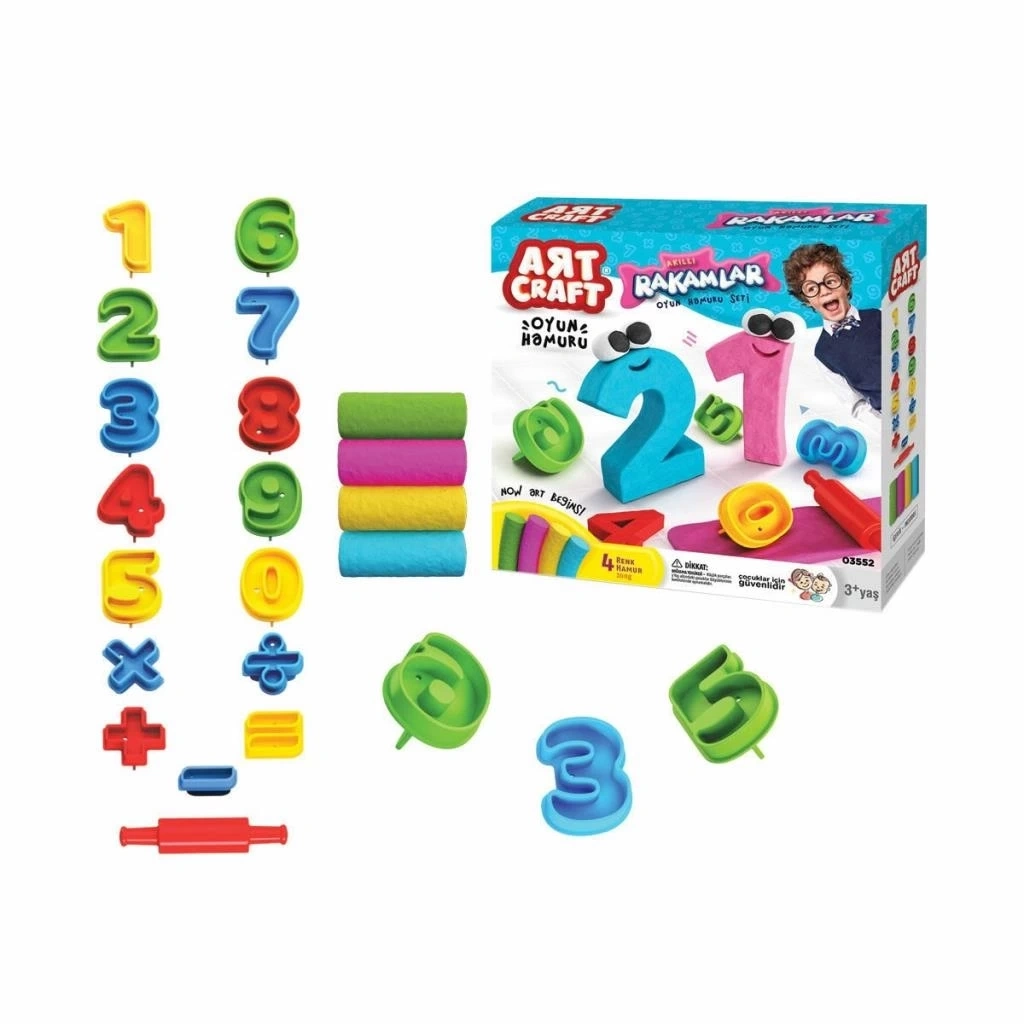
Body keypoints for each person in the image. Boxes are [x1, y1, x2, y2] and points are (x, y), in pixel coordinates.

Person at [783, 243, 881, 421]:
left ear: (846, 284)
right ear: (806, 301)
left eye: (830, 281)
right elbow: (856, 405)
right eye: (812, 288)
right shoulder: (822, 352)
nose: (824, 291)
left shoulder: (878, 316)